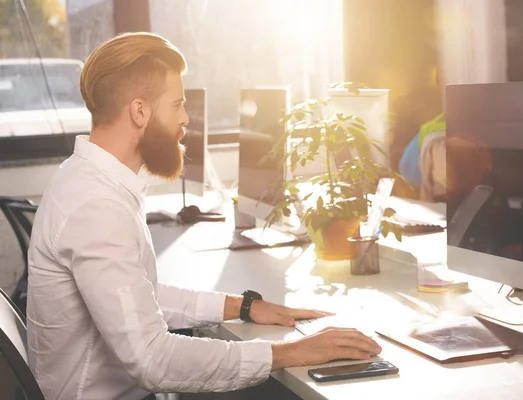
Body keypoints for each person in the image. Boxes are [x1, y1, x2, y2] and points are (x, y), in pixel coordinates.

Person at [26, 32, 381, 400]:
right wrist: (290, 353)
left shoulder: (91, 181)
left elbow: (134, 298)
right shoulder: (96, 206)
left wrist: (243, 306)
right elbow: (153, 359)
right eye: (177, 103)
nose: (185, 117)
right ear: (139, 111)